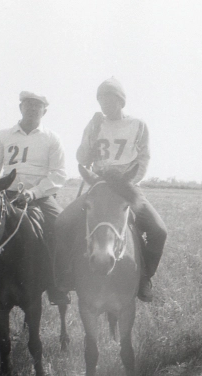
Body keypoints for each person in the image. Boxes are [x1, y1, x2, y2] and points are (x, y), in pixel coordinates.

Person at [57, 78, 165, 302]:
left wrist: (128, 183)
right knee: (62, 222)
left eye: (110, 99)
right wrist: (91, 130)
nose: (105, 104)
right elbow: (82, 157)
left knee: (158, 230)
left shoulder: (138, 124)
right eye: (101, 99)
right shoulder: (96, 123)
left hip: (126, 186)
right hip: (98, 185)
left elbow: (143, 158)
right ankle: (66, 274)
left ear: (121, 101)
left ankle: (144, 277)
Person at [0, 91, 69, 304]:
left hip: (40, 197)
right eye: (28, 105)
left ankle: (57, 283)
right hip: (7, 195)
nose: (32, 109)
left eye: (37, 106)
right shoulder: (3, 135)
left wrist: (33, 192)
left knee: (62, 225)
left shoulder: (52, 138)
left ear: (44, 111)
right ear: (20, 108)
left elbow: (58, 174)